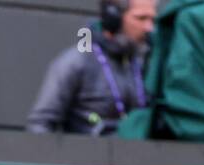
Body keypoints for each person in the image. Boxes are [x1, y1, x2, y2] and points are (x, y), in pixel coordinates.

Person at [27, 0, 157, 136]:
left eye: (152, 19)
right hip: (86, 155)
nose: (149, 28)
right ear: (113, 19)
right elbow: (39, 124)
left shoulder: (142, 65)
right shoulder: (77, 61)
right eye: (141, 18)